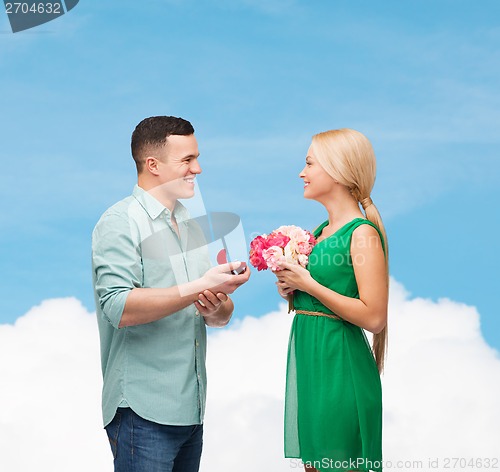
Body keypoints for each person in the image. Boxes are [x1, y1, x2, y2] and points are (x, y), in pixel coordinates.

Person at [91, 115, 251, 472]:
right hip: (141, 411)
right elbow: (118, 307)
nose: (198, 168)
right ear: (153, 165)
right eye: (187, 160)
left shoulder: (192, 227)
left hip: (191, 410)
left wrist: (218, 301)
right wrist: (200, 285)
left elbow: (218, 316)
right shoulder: (120, 221)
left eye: (197, 158)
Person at [274, 128, 389, 472]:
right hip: (311, 366)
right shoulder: (320, 232)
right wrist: (292, 291)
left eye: (309, 163)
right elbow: (323, 300)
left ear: (338, 170)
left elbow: (374, 317)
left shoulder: (362, 234)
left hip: (340, 368)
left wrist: (308, 284)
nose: (301, 173)